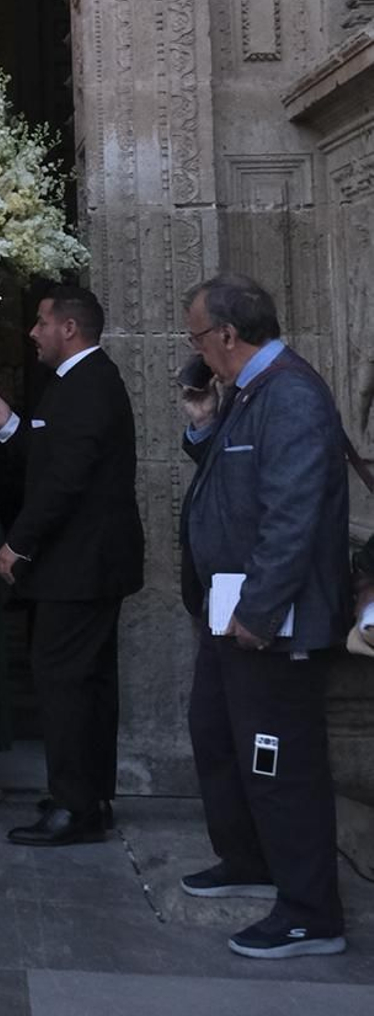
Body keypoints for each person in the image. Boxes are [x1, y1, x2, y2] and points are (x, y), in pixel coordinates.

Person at [178, 273, 349, 958]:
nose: (196, 349)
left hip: (271, 621)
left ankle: (311, 911)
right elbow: (233, 476)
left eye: (196, 336)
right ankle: (246, 857)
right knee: (216, 734)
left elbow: (292, 516)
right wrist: (202, 423)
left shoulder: (294, 397)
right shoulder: (251, 394)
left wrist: (258, 609)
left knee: (283, 762)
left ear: (226, 333)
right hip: (231, 614)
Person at [0, 284, 144, 848]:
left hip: (81, 567)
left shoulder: (88, 385)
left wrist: (17, 545)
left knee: (66, 685)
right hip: (85, 567)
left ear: (69, 328)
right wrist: (9, 423)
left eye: (42, 322)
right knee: (86, 683)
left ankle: (75, 806)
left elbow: (64, 482)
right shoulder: (78, 384)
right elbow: (55, 455)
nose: (33, 333)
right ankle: (87, 795)